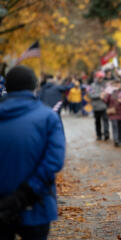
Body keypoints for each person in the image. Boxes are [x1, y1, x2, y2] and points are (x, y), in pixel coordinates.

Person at [0, 65, 65, 239]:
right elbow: (54, 161)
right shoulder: (48, 117)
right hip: (37, 203)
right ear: (34, 86)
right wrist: (26, 193)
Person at [103, 80, 121, 146]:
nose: (117, 85)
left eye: (119, 84)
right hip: (113, 112)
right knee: (115, 126)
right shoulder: (111, 92)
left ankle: (120, 139)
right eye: (116, 84)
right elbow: (106, 101)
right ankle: (116, 140)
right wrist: (103, 96)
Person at [89, 71, 110, 141]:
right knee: (97, 122)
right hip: (96, 106)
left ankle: (106, 134)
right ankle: (99, 135)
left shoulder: (105, 85)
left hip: (104, 106)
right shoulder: (92, 85)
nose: (100, 79)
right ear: (97, 77)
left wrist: (105, 95)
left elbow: (108, 93)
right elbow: (91, 95)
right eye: (99, 77)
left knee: (105, 120)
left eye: (102, 78)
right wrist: (99, 95)